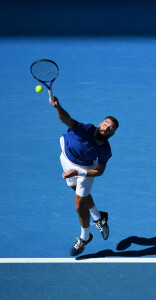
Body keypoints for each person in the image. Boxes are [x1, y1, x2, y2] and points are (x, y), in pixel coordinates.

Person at [49, 95, 119, 256]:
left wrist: (78, 172)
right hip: (66, 159)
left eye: (111, 128)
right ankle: (99, 217)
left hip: (84, 170)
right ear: (101, 123)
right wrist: (58, 107)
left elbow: (99, 171)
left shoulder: (105, 150)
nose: (107, 127)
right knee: (78, 192)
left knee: (79, 204)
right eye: (106, 123)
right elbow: (66, 119)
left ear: (112, 133)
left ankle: (85, 237)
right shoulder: (86, 128)